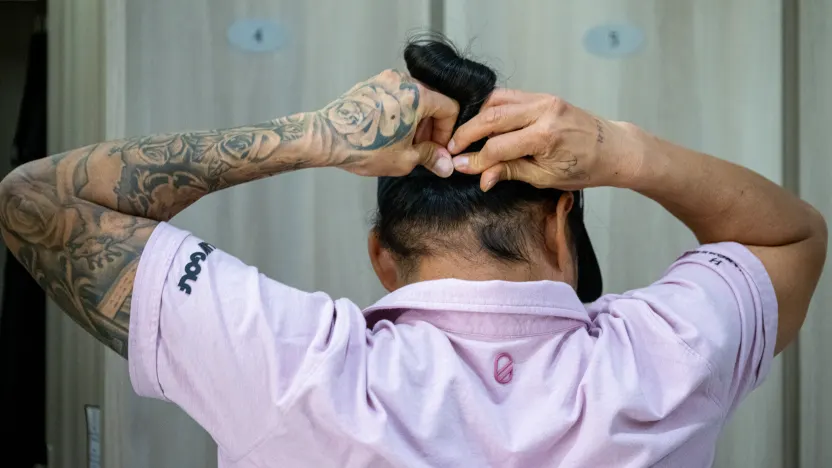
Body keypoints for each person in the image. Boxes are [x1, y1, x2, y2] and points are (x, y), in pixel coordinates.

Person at [0, 37, 825, 467]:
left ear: (382, 257)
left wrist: (315, 136)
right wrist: (622, 149)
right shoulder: (665, 359)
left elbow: (30, 198)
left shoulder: (294, 369)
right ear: (558, 220)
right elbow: (790, 234)